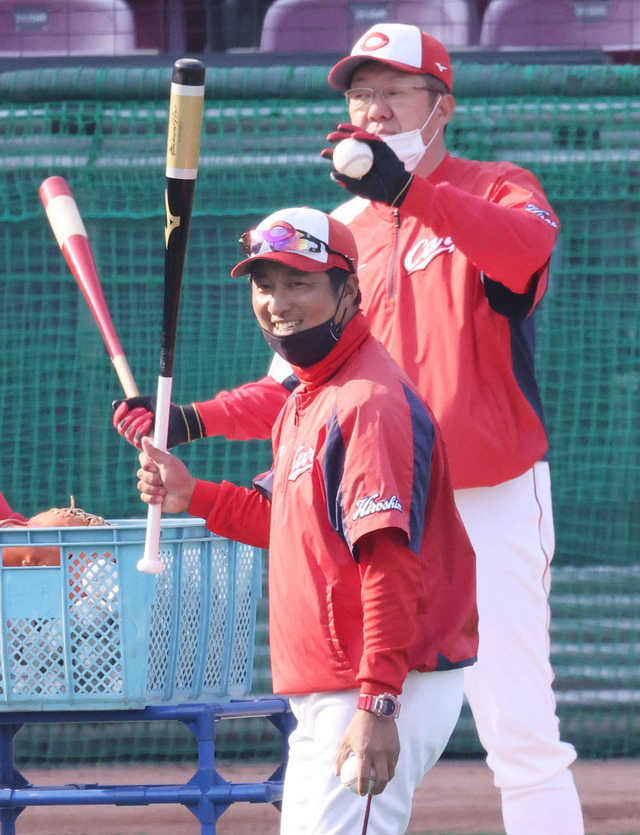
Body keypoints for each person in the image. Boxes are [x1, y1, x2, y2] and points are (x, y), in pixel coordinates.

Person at [114, 23, 584, 835]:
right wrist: (191, 419)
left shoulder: (500, 187)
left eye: (391, 90)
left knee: (520, 732)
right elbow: (299, 393)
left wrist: (411, 193)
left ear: (442, 106)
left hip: (491, 497)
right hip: (385, 505)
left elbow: (524, 252)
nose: (369, 108)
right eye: (358, 94)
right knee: (353, 724)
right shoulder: (338, 227)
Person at [134, 205, 479, 835]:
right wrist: (195, 494)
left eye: (299, 282)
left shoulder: (366, 401)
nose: (277, 302)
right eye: (264, 286)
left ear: (349, 290)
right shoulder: (308, 398)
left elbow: (390, 562)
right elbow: (287, 526)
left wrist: (378, 701)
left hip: (376, 684)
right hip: (335, 685)